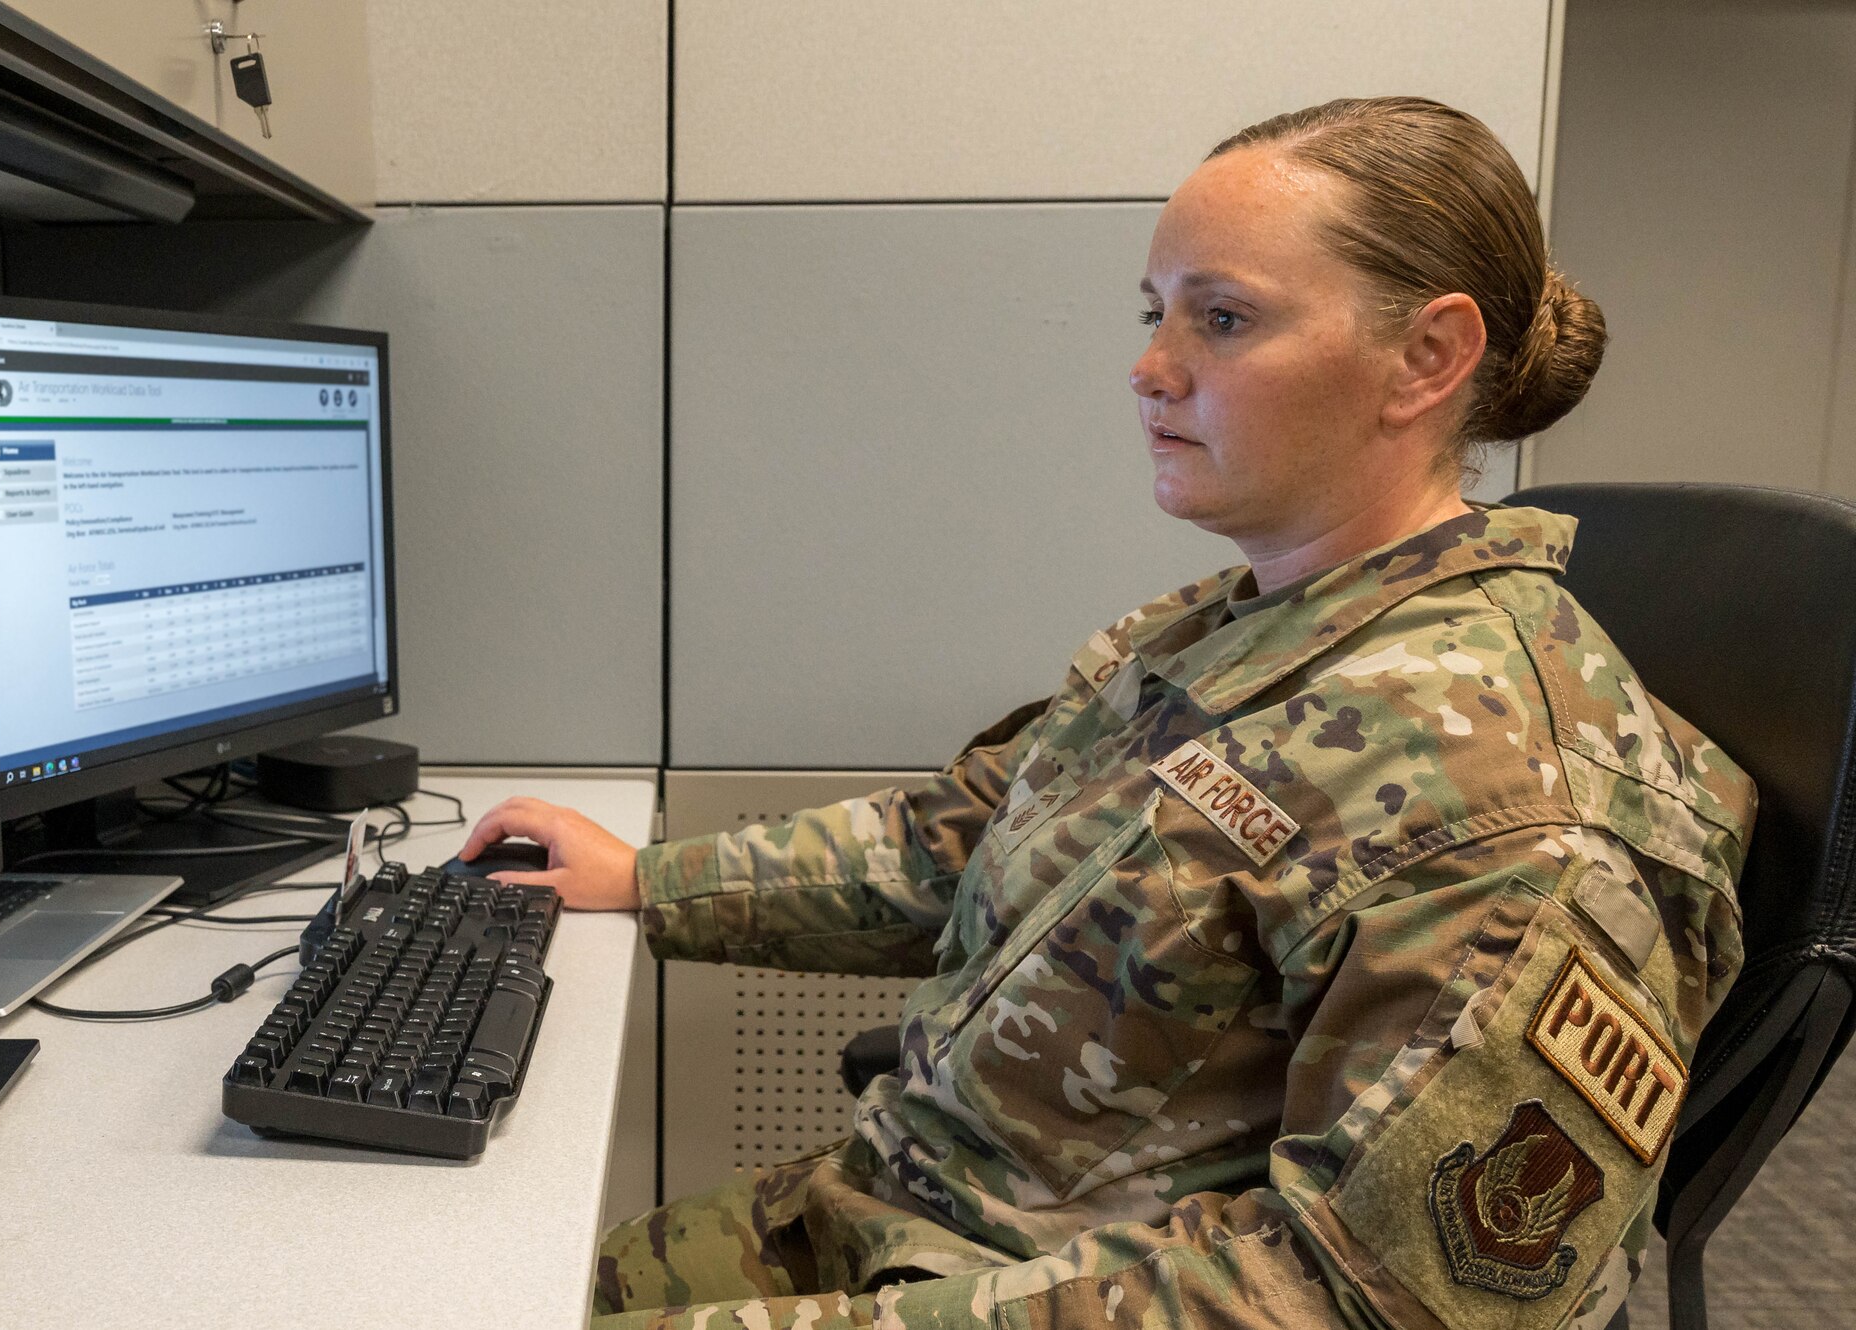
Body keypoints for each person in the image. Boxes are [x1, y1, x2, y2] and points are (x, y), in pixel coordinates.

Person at [459, 97, 1754, 1330]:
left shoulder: (1514, 800)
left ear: (1426, 358)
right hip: (900, 1216)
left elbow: (1366, 1299)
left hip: (1023, 1280)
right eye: (1155, 313)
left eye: (1224, 320)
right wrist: (649, 876)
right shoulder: (1233, 628)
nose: (1150, 368)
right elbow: (963, 840)